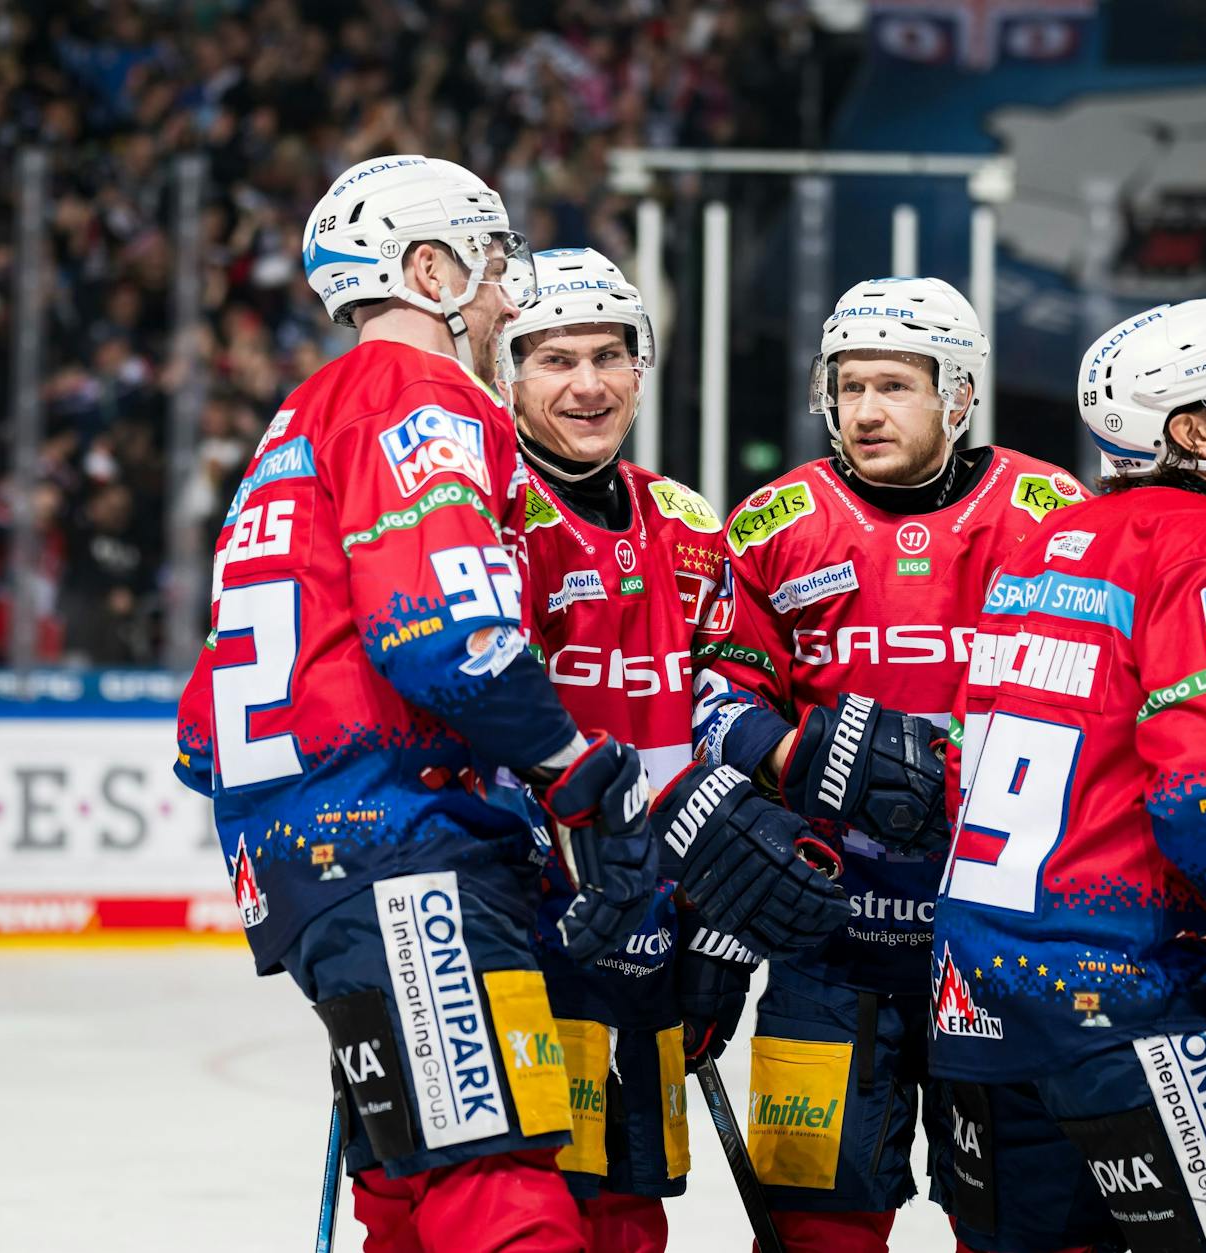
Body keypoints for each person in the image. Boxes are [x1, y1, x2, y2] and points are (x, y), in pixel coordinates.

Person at [171, 156, 840, 1252]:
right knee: (502, 1188)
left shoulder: (294, 421)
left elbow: (204, 731)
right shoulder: (423, 397)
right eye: (489, 265)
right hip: (402, 851)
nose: (500, 293)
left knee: (408, 1192)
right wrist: (574, 768)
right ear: (426, 269)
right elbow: (445, 634)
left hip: (300, 866)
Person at [930, 299, 1206, 1253]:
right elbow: (1205, 802)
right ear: (1196, 430)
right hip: (1133, 1002)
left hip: (978, 998)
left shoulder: (1036, 550)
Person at [691, 276, 1087, 1252]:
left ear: (957, 393)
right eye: (849, 384)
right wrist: (796, 752)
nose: (864, 409)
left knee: (1022, 1227)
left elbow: (1100, 705)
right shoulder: (771, 525)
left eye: (894, 385)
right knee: (817, 1226)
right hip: (827, 943)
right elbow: (709, 699)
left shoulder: (1052, 515)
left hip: (1000, 952)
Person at [501, 247, 768, 1251]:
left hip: (648, 919)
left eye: (609, 355)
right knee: (511, 1200)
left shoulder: (689, 523)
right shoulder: (488, 511)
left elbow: (726, 711)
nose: (586, 384)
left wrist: (721, 923)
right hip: (516, 916)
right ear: (507, 373)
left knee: (625, 1209)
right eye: (554, 358)